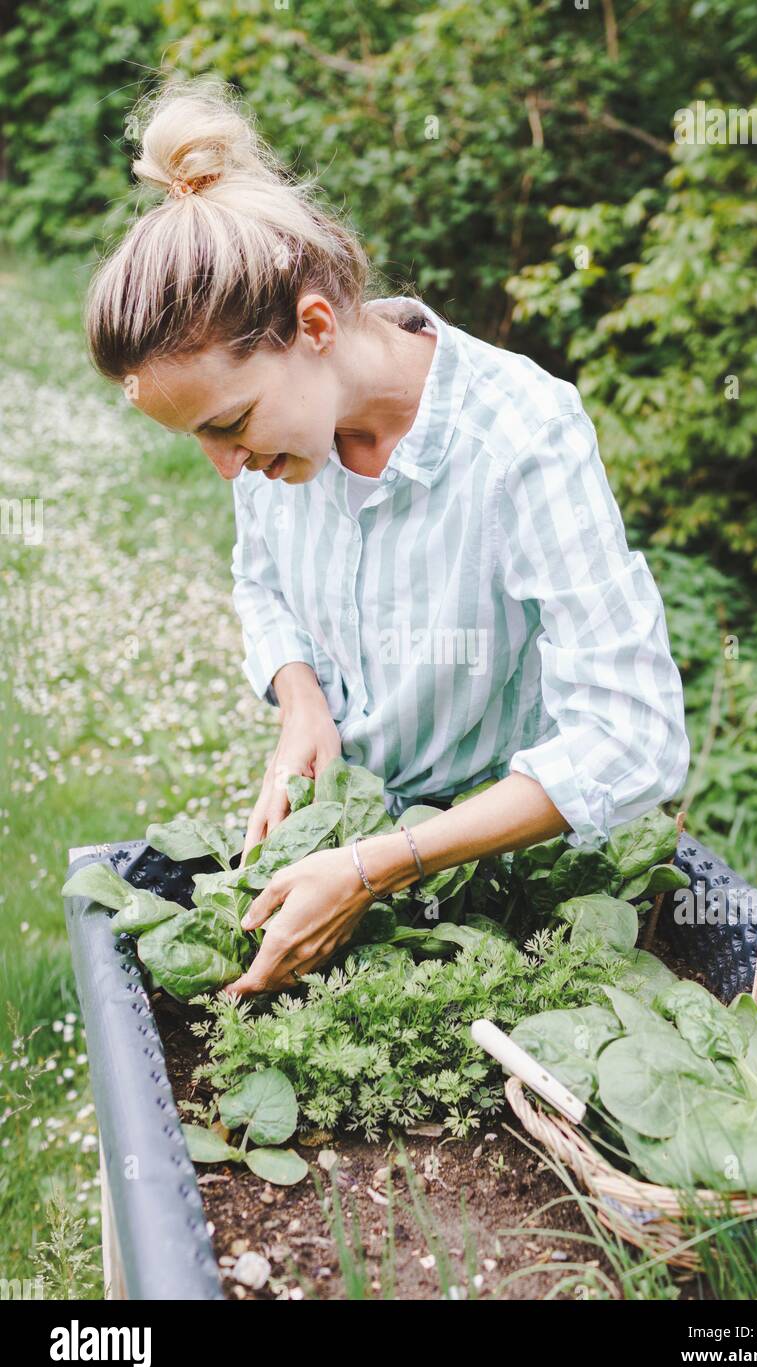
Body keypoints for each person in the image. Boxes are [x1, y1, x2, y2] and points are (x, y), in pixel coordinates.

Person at [85, 77, 690, 996]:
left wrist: (377, 866)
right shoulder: (284, 439)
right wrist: (301, 703)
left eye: (229, 423)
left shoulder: (522, 436)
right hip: (351, 845)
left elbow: (634, 735)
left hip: (511, 885)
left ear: (314, 326)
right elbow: (262, 581)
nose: (224, 466)